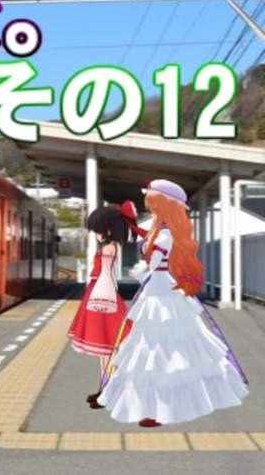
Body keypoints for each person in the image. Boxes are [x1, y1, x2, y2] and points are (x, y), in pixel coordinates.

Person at [97, 179, 248, 427]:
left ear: (164, 205)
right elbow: (151, 262)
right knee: (154, 347)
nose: (150, 208)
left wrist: (139, 272)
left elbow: (154, 265)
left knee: (161, 351)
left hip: (160, 291)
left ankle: (162, 410)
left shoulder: (164, 235)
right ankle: (152, 408)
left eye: (153, 204)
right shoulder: (162, 232)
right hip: (158, 289)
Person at [67, 202, 140, 409]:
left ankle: (112, 391)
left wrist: (103, 300)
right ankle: (106, 390)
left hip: (102, 299)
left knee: (108, 348)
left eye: (98, 230)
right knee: (107, 349)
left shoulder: (109, 248)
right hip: (104, 295)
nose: (96, 235)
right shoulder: (112, 247)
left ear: (108, 230)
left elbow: (107, 276)